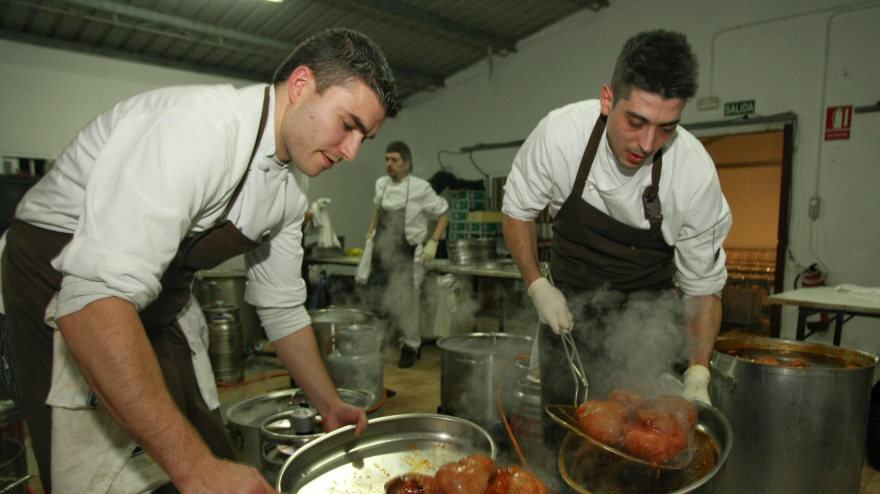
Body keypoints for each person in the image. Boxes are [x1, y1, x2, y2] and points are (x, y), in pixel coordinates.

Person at [0, 27, 400, 493]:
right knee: (116, 476)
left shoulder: (291, 190)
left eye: (364, 137)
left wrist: (328, 404)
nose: (351, 151)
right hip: (60, 286)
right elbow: (92, 305)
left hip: (155, 302)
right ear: (300, 85)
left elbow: (282, 308)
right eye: (348, 124)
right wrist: (195, 469)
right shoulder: (196, 131)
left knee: (203, 447)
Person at [502, 30, 731, 448]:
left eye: (666, 128)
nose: (647, 144)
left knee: (642, 451)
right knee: (564, 445)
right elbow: (518, 210)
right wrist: (537, 285)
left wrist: (698, 373)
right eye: (636, 122)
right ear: (608, 100)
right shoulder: (561, 137)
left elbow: (702, 289)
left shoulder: (693, 174)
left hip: (645, 327)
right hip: (567, 316)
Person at [364, 141, 450, 368]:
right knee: (379, 299)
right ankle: (375, 345)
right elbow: (377, 209)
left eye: (394, 160)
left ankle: (411, 346)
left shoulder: (421, 188)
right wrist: (371, 231)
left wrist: (433, 242)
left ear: (407, 163)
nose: (389, 164)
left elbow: (444, 214)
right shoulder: (381, 184)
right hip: (383, 251)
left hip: (409, 254)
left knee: (407, 302)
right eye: (386, 159)